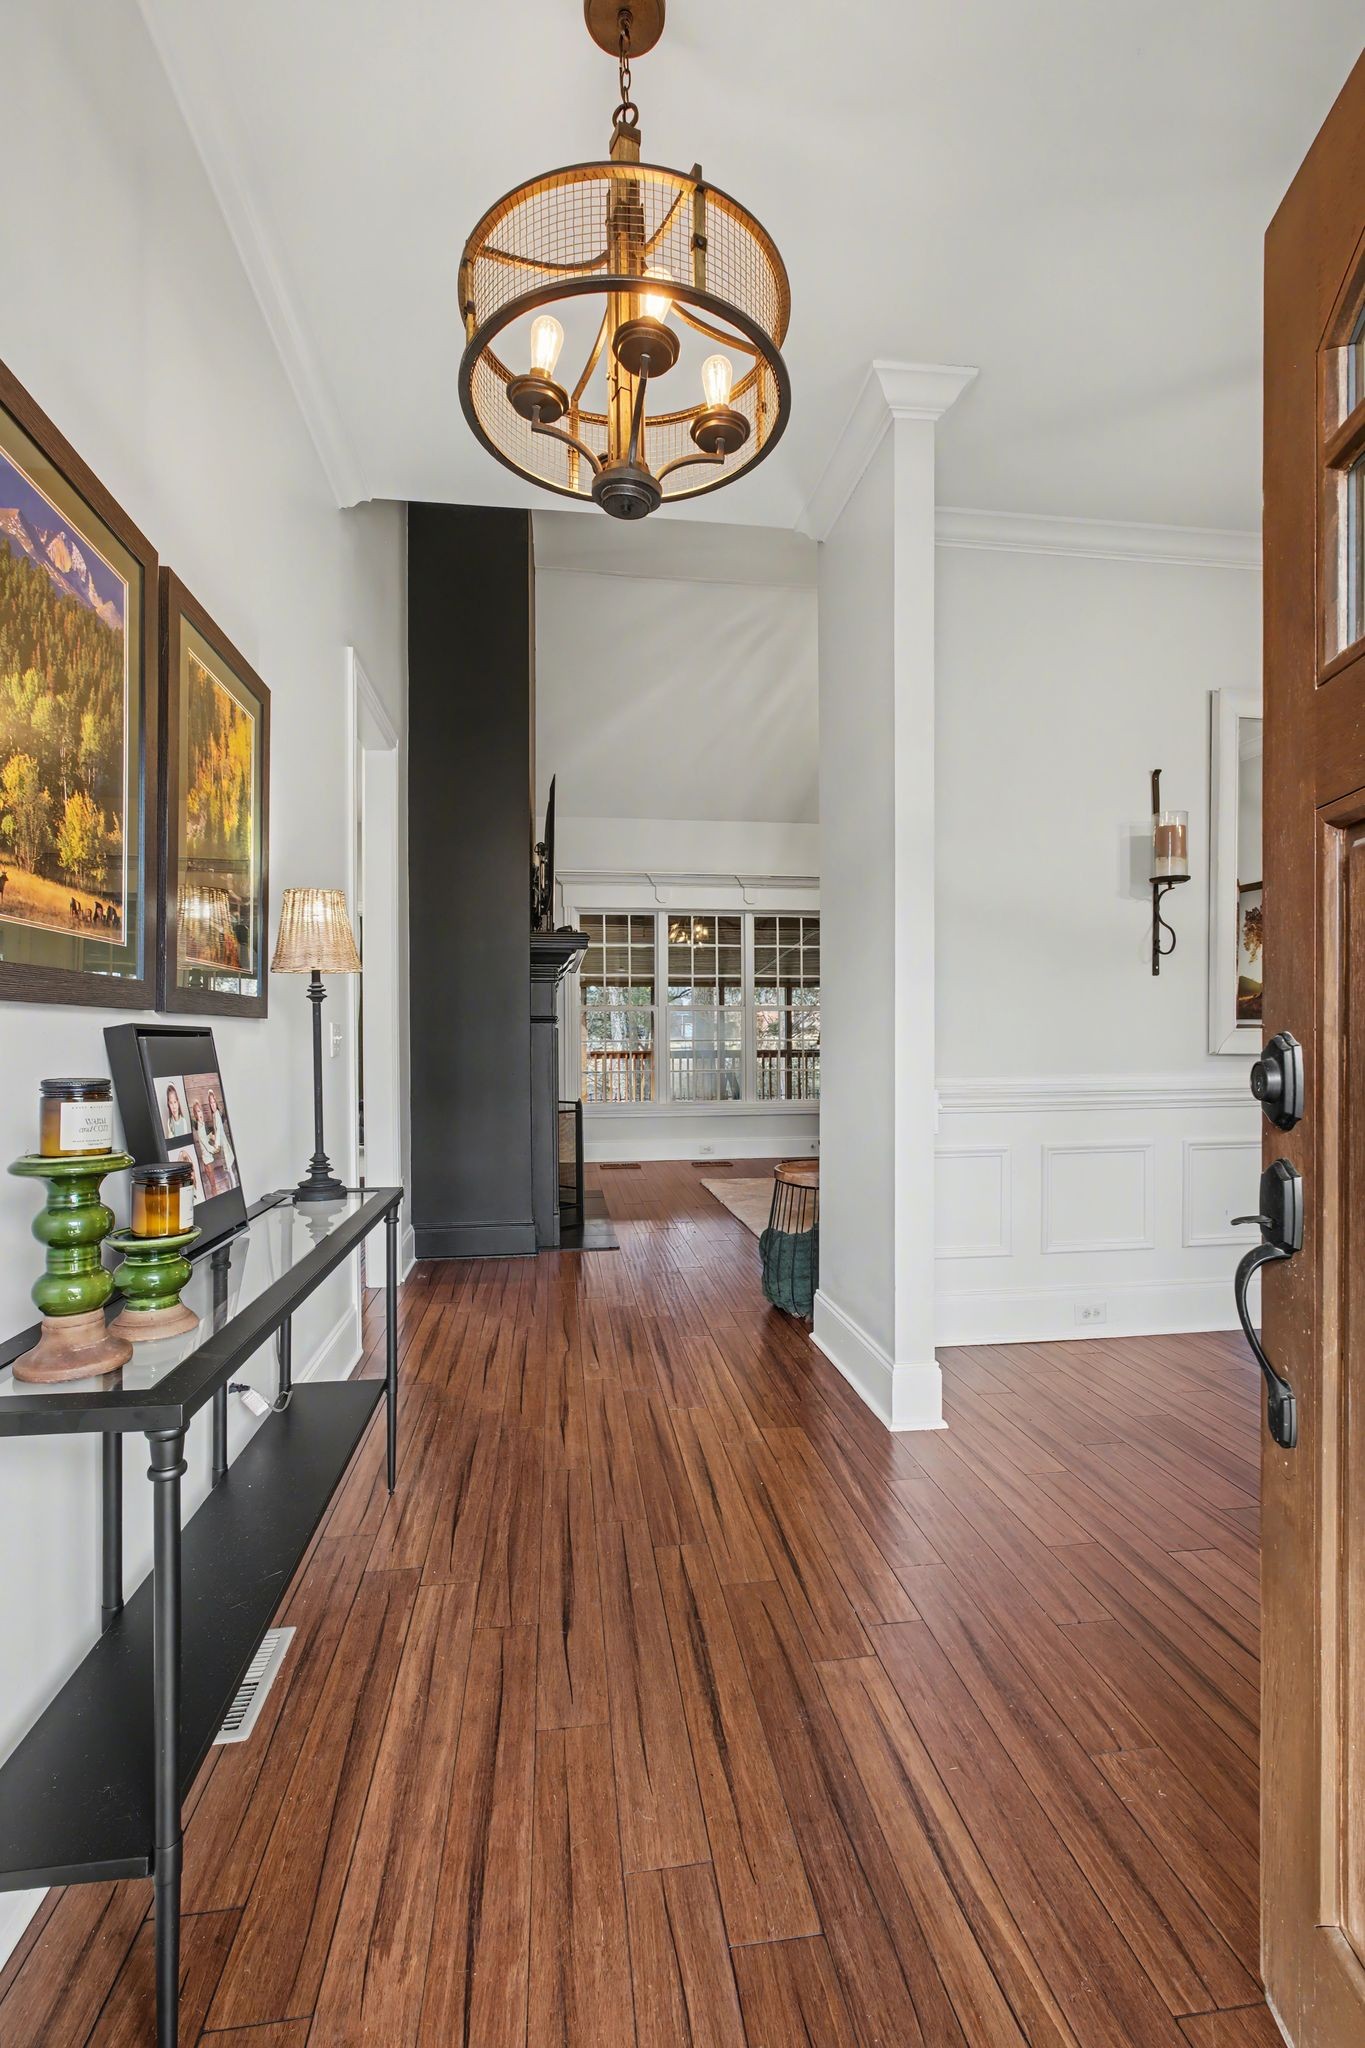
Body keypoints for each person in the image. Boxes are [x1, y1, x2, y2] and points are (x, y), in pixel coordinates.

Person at [191, 1097, 223, 1195]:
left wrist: (210, 1136)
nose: (200, 1113)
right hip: (207, 1160)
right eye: (197, 1112)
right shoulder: (200, 1128)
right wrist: (215, 1149)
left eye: (200, 1111)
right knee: (213, 1185)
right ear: (195, 1115)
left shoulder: (201, 1125)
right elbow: (207, 1146)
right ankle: (215, 1195)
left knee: (212, 1183)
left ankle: (214, 1193)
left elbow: (204, 1138)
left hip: (206, 1159)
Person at [207, 1089, 235, 1190]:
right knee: (227, 1169)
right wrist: (212, 1137)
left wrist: (216, 1143)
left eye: (213, 1102)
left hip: (223, 1145)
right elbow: (216, 1131)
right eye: (211, 1103)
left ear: (216, 1102)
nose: (213, 1105)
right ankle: (231, 1187)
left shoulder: (217, 1114)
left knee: (229, 1169)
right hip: (221, 1146)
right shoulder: (214, 1115)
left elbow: (218, 1130)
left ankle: (234, 1186)